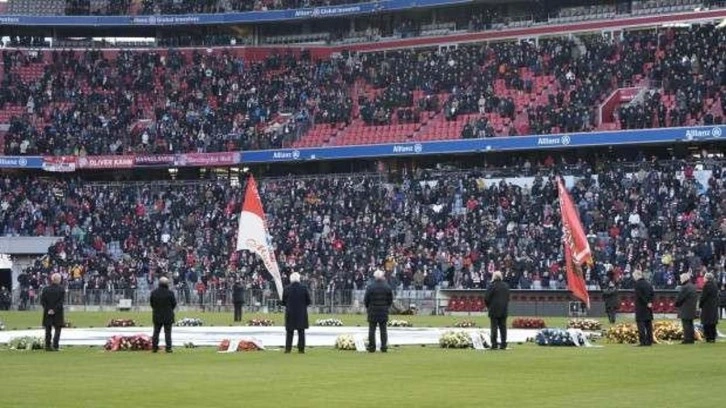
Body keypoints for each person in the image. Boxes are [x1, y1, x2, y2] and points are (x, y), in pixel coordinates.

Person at [364, 269, 393, 353]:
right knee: (383, 330)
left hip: (372, 310)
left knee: (372, 330)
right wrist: (386, 307)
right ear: (382, 276)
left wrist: (368, 307)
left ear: (375, 277)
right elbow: (390, 300)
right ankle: (384, 347)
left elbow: (366, 300)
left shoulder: (370, 287)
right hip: (383, 310)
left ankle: (372, 347)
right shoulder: (387, 287)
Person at [281, 272, 311, 354]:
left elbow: (283, 302)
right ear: (299, 279)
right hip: (301, 313)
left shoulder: (286, 288)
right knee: (301, 331)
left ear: (291, 279)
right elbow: (308, 301)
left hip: (290, 312)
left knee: (289, 332)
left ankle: (288, 348)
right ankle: (301, 349)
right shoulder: (304, 288)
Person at [484, 271, 510, 350]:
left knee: (494, 327)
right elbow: (508, 298)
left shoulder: (491, 286)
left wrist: (489, 306)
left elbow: (486, 298)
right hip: (503, 309)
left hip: (494, 309)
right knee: (503, 327)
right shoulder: (506, 286)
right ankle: (503, 344)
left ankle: (494, 344)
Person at [150, 277, 177, 353]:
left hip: (157, 315)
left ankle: (154, 347)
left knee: (156, 332)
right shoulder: (170, 293)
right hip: (168, 315)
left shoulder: (154, 293)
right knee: (168, 333)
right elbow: (174, 304)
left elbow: (152, 304)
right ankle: (168, 348)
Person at [40, 273, 65, 351]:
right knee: (58, 329)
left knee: (48, 330)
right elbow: (61, 302)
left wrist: (48, 309)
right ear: (58, 280)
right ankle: (55, 345)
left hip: (47, 312)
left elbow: (42, 301)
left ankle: (47, 346)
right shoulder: (61, 289)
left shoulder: (45, 289)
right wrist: (54, 310)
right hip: (58, 312)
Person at [675, 273, 698, 344]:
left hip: (686, 308)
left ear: (684, 279)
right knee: (690, 324)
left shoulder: (685, 287)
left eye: (681, 279)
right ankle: (691, 338)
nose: (680, 280)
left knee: (686, 324)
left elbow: (680, 298)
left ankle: (687, 339)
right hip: (692, 308)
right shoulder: (692, 286)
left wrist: (676, 304)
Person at [633, 269, 654, 346]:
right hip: (648, 307)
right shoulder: (648, 283)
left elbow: (640, 296)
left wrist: (646, 302)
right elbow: (652, 293)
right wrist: (650, 302)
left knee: (641, 325)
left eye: (634, 276)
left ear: (638, 275)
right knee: (648, 324)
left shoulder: (638, 284)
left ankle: (643, 341)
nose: (634, 277)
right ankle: (649, 340)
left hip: (641, 307)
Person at [698, 272, 719, 343]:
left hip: (707, 307)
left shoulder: (706, 286)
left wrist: (700, 305)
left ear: (707, 278)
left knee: (706, 323)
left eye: (704, 277)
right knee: (713, 323)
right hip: (713, 306)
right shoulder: (715, 285)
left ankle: (708, 337)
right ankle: (713, 337)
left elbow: (703, 297)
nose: (703, 278)